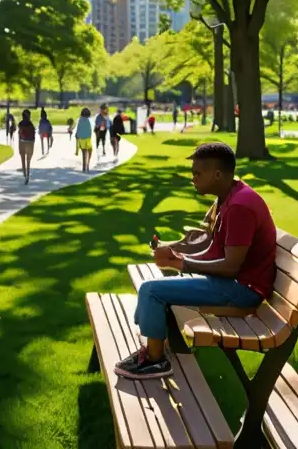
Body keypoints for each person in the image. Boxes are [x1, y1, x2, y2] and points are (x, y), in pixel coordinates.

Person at [116, 142, 275, 380]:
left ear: (217, 174)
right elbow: (211, 245)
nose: (193, 179)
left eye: (197, 174)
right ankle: (157, 345)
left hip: (242, 290)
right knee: (154, 286)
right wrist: (178, 253)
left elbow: (231, 267)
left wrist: (183, 264)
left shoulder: (240, 206)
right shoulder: (229, 196)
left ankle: (155, 360)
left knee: (151, 291)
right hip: (237, 283)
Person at [17, 109, 36, 184]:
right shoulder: (30, 124)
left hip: (22, 142)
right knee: (28, 160)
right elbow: (33, 135)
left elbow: (19, 133)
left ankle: (25, 174)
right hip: (30, 143)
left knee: (22, 159)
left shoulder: (20, 124)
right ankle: (27, 174)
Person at [75, 107, 94, 172]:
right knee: (90, 151)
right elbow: (90, 130)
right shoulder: (88, 120)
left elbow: (78, 129)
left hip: (81, 139)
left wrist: (77, 136)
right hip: (87, 139)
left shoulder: (80, 120)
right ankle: (87, 164)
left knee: (83, 153)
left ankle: (84, 167)